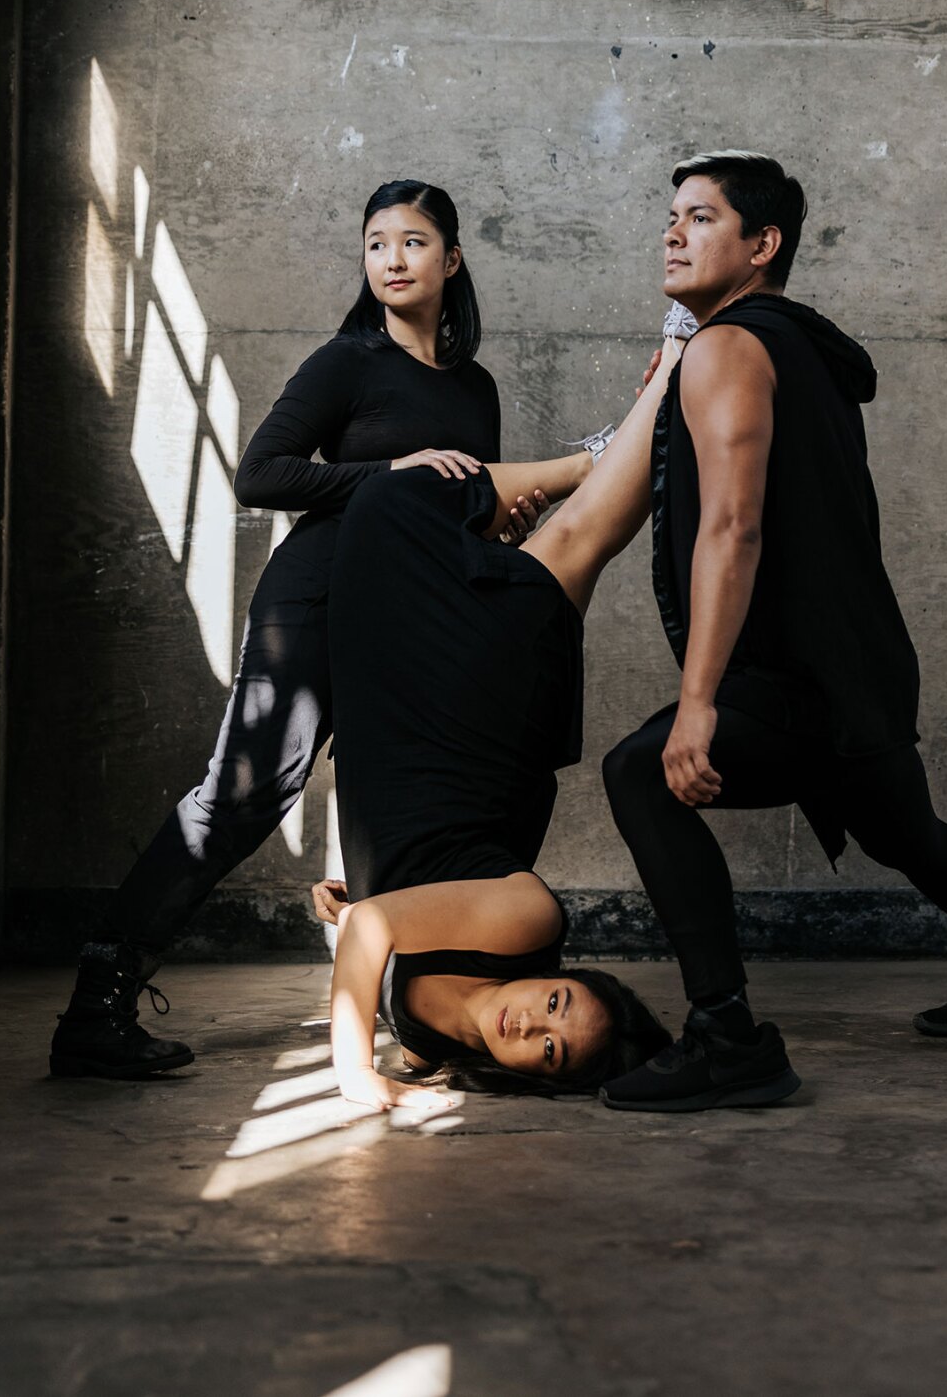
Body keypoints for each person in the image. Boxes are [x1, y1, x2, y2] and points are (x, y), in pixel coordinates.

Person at [49, 179, 593, 1081]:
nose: (392, 259)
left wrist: (504, 521)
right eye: (376, 243)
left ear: (451, 260)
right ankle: (95, 1004)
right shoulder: (350, 361)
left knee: (438, 798)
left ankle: (426, 1006)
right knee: (247, 794)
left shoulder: (477, 389)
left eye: (413, 242)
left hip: (408, 626)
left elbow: (456, 520)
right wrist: (394, 473)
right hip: (316, 600)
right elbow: (261, 473)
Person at [599, 151, 947, 1114]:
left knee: (642, 770)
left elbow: (733, 528)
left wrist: (697, 704)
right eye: (671, 217)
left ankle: (727, 1035)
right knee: (911, 834)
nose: (673, 232)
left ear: (763, 244)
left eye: (701, 218)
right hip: (860, 668)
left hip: (795, 676)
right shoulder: (798, 348)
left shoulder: (727, 349)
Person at [310, 326, 692, 1106]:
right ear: (561, 974)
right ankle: (677, 363)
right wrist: (353, 1070)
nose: (531, 1026)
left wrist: (354, 883)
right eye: (557, 1003)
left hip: (400, 739)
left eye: (549, 1053)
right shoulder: (528, 920)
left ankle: (648, 416)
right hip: (475, 737)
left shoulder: (433, 1043)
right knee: (555, 533)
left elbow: (369, 919)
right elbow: (371, 935)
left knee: (384, 509)